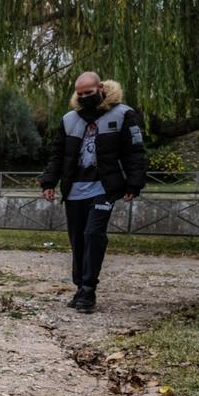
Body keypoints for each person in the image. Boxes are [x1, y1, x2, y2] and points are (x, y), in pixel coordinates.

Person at [40, 72, 147, 313]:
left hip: (104, 188)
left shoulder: (123, 114)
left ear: (100, 88)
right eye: (80, 94)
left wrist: (133, 184)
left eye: (89, 93)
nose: (85, 97)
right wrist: (48, 182)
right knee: (77, 239)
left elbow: (135, 152)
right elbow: (58, 155)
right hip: (75, 189)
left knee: (94, 234)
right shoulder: (69, 119)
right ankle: (80, 286)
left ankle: (88, 289)